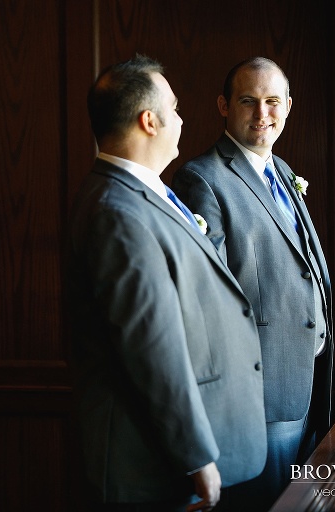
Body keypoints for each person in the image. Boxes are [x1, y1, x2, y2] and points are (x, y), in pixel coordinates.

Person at [66, 54, 267, 512]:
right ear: (149, 120)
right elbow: (150, 345)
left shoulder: (142, 191)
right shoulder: (116, 210)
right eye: (173, 109)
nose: (181, 118)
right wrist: (196, 455)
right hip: (153, 463)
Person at [172, 57, 334, 511]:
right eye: (248, 101)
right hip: (257, 395)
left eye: (272, 102)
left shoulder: (281, 170)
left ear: (288, 107)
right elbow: (210, 296)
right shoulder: (202, 178)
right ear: (224, 105)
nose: (263, 114)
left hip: (306, 382)